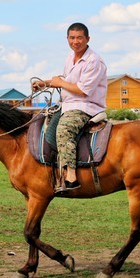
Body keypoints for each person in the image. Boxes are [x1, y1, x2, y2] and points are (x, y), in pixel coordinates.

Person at [33, 22, 108, 194]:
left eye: (80, 37)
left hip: (86, 106)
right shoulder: (70, 58)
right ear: (67, 39)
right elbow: (67, 81)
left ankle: (71, 177)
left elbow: (82, 90)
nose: (76, 41)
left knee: (65, 129)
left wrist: (59, 82)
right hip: (67, 105)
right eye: (72, 38)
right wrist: (45, 83)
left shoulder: (94, 60)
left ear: (88, 39)